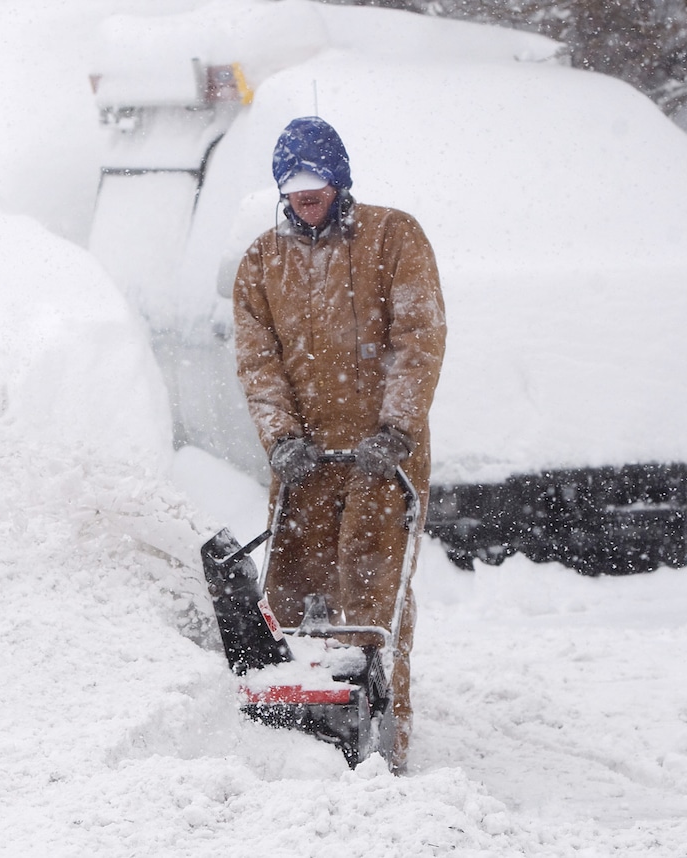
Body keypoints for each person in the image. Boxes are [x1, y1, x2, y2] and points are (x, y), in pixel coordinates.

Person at [232, 116, 446, 773]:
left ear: (338, 178)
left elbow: (419, 332)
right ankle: (298, 748)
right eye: (291, 184)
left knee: (371, 604)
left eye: (314, 180)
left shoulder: (393, 237)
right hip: (306, 462)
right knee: (291, 604)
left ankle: (383, 747)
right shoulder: (261, 263)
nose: (303, 194)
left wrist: (397, 427)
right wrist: (281, 438)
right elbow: (257, 359)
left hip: (385, 459)